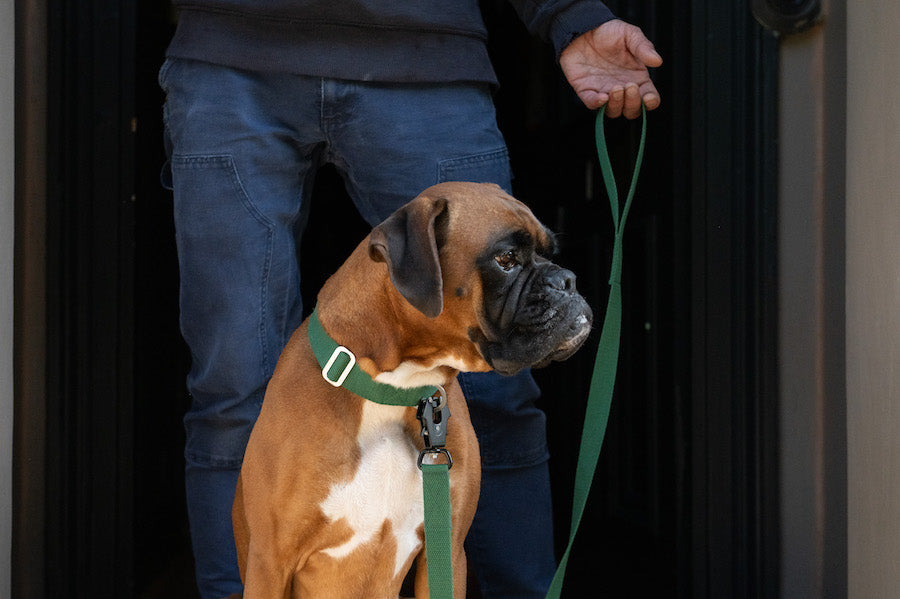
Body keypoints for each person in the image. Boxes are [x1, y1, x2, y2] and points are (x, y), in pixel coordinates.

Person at [159, 2, 661, 598]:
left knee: (497, 386)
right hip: (230, 53)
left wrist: (570, 13)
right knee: (232, 392)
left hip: (425, 54)